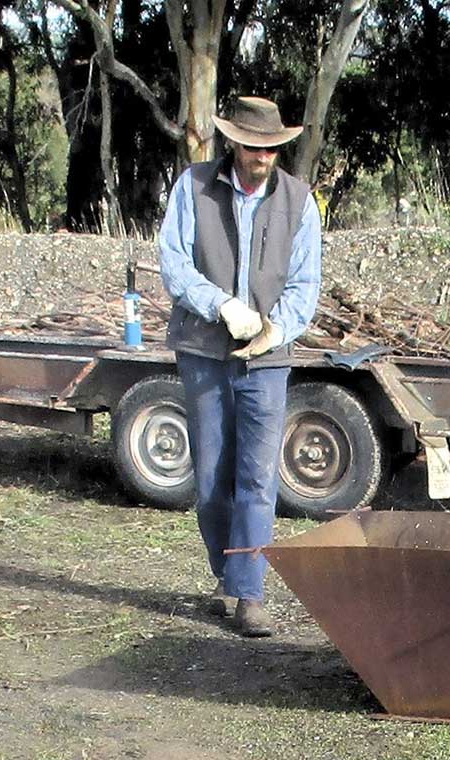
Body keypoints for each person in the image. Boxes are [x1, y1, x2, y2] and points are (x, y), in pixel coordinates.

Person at [159, 96, 322, 637]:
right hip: (204, 350)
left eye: (273, 148)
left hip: (267, 359)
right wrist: (219, 304)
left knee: (257, 476)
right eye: (254, 147)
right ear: (232, 141)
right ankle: (227, 574)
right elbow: (175, 261)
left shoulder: (300, 203)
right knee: (210, 481)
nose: (264, 157)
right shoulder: (194, 186)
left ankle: (249, 591)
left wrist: (276, 329)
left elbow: (304, 284)